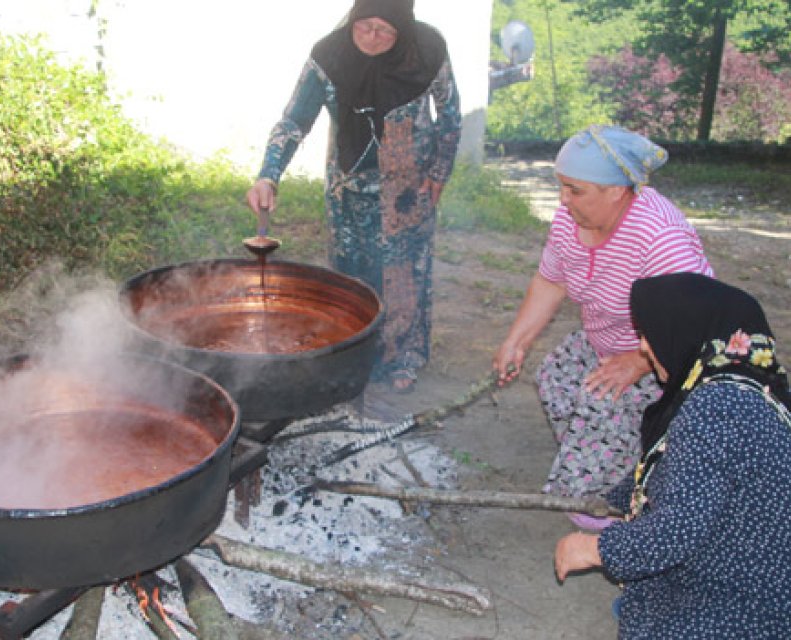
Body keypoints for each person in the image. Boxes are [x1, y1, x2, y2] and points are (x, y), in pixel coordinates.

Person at [553, 273, 791, 638]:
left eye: (650, 333)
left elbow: (675, 532)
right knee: (647, 595)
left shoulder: (716, 407)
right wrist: (610, 501)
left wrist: (593, 548)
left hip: (774, 606)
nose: (645, 347)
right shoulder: (753, 385)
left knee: (653, 616)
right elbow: (680, 470)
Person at [492, 125, 711, 527]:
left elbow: (698, 320)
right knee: (556, 377)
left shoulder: (660, 236)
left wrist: (640, 361)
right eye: (561, 186)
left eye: (575, 190)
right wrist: (516, 341)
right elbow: (551, 280)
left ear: (616, 190)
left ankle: (616, 512)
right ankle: (611, 457)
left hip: (665, 361)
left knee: (597, 412)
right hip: (604, 339)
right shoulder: (567, 222)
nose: (563, 199)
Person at [246, 0, 461, 393]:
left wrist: (439, 171)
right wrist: (268, 175)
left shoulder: (427, 49)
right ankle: (354, 355)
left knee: (404, 272)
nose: (373, 37)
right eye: (365, 27)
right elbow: (294, 120)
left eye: (385, 30)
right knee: (349, 272)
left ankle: (401, 358)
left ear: (403, 29)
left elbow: (450, 111)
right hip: (348, 185)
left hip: (408, 189)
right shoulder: (328, 55)